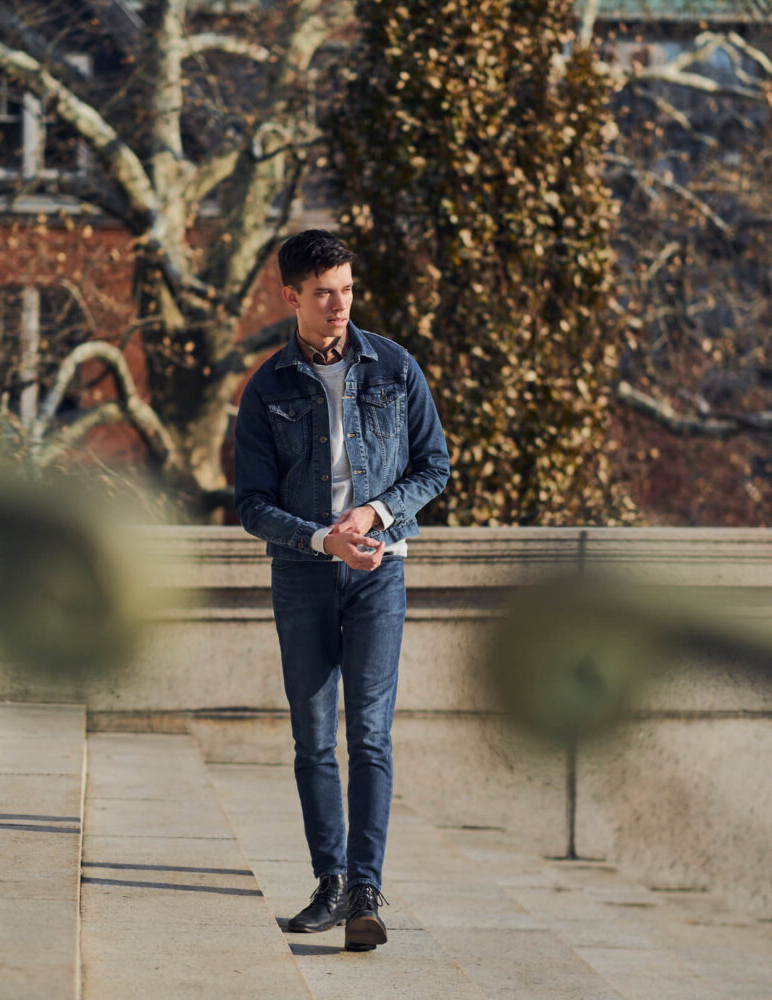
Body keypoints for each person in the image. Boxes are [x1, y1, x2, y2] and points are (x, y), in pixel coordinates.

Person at [233, 229, 449, 952]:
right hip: (302, 575)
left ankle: (365, 888)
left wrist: (375, 514)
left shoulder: (394, 365)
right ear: (290, 295)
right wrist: (321, 538)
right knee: (312, 737)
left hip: (380, 570)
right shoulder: (267, 387)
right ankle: (328, 883)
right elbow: (252, 505)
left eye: (348, 290)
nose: (339, 306)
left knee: (371, 733)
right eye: (324, 293)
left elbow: (434, 467)